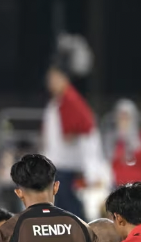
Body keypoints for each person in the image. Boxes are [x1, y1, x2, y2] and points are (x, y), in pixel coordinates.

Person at [41, 63, 95, 219]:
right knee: (60, 202)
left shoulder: (70, 99)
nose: (50, 82)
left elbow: (87, 125)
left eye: (53, 78)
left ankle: (82, 227)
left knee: (66, 203)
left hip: (66, 163)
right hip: (58, 161)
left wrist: (71, 134)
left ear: (63, 78)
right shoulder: (58, 101)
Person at [109, 100, 141, 186]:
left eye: (126, 117)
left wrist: (134, 143)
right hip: (116, 183)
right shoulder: (112, 138)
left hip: (137, 183)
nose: (123, 121)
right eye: (121, 117)